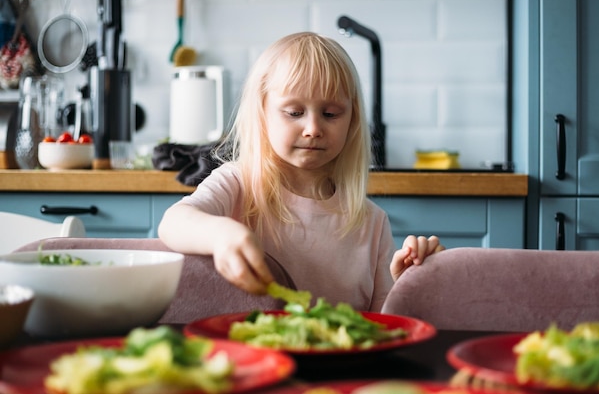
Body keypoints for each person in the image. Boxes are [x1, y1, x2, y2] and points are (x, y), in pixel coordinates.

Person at [158, 32, 444, 312]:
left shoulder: (372, 222)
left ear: (352, 121)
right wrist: (221, 235)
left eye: (330, 114)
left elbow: (384, 326)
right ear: (262, 113)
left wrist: (410, 283)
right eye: (294, 113)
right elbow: (173, 222)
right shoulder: (238, 183)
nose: (313, 129)